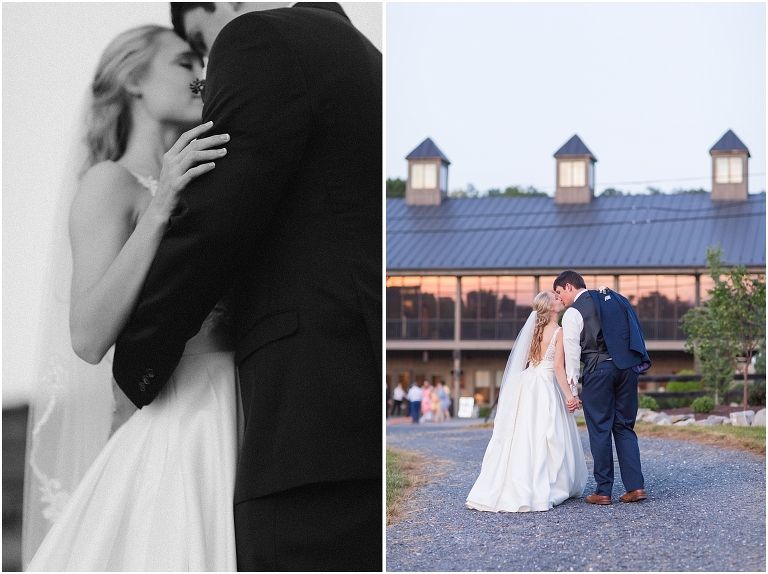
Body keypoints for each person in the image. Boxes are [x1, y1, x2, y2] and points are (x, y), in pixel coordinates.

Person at [112, 3, 382, 570]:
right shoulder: (367, 57)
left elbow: (218, 221)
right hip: (352, 402)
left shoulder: (259, 37)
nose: (207, 63)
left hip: (306, 424)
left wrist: (138, 364)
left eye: (199, 39)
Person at [24, 25, 237, 570]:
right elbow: (89, 336)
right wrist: (161, 204)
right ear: (134, 82)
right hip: (183, 414)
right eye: (185, 63)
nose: (201, 75)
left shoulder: (212, 177)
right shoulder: (108, 183)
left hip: (244, 398)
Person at [466, 291, 587, 512]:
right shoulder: (559, 332)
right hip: (546, 385)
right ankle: (549, 481)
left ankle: (516, 478)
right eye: (555, 298)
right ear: (550, 307)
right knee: (548, 433)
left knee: (524, 433)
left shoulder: (532, 331)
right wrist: (571, 396)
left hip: (528, 383)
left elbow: (525, 362)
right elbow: (559, 369)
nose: (559, 299)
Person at [554, 270, 650, 505]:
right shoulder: (614, 299)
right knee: (625, 427)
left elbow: (573, 355)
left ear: (569, 286)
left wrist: (573, 391)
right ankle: (636, 487)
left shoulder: (573, 312)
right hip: (627, 368)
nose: (560, 300)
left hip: (599, 371)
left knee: (599, 429)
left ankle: (603, 490)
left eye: (559, 293)